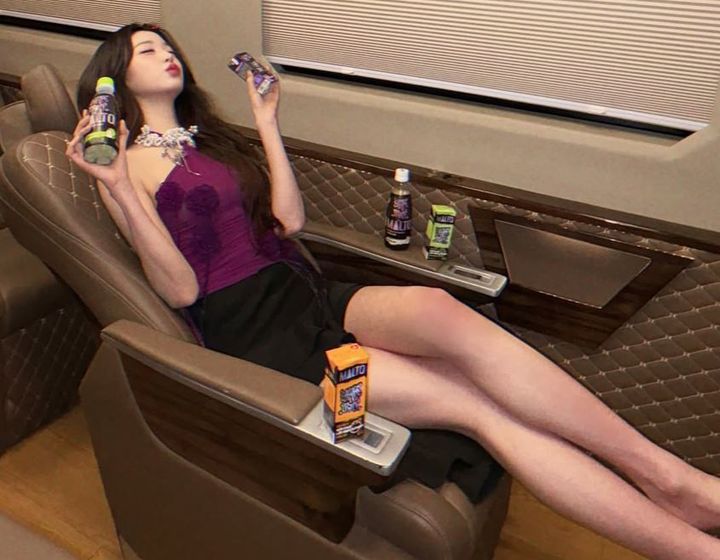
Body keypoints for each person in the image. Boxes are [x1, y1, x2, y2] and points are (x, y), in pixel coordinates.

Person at [65, 23, 720, 560]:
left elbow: (289, 221)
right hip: (259, 339)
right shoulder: (117, 166)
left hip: (306, 292)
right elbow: (179, 290)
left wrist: (267, 120)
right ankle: (692, 547)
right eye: (146, 48)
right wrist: (119, 185)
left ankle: (666, 475)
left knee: (442, 312)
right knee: (476, 405)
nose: (168, 53)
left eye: (169, 44)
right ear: (115, 75)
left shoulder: (213, 142)